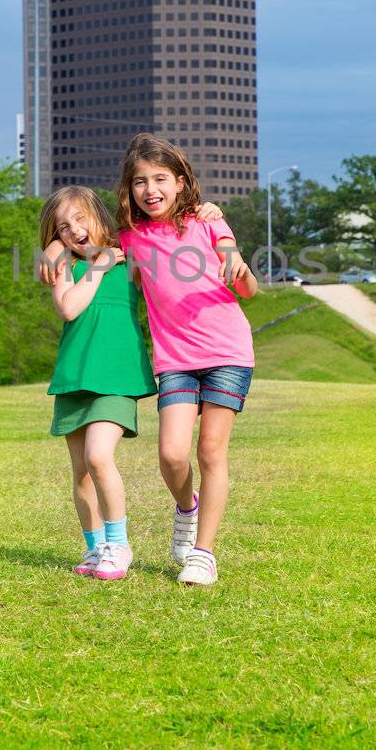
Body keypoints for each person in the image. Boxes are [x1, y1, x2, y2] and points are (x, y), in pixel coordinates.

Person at [114, 134, 256, 587]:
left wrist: (238, 268)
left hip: (227, 350)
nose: (150, 189)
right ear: (129, 189)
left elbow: (249, 290)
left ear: (180, 182)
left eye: (160, 179)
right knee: (172, 454)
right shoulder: (131, 237)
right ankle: (186, 508)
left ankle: (204, 553)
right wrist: (56, 251)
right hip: (174, 358)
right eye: (140, 182)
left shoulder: (209, 222)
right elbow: (82, 242)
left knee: (211, 450)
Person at [40, 185, 156, 581]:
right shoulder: (67, 265)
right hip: (76, 375)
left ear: (98, 215)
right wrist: (79, 259)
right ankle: (95, 549)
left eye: (79, 218)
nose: (73, 229)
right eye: (62, 227)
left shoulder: (129, 254)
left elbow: (161, 229)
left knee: (99, 457)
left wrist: (209, 211)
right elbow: (69, 307)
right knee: (81, 472)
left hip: (117, 377)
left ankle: (119, 544)